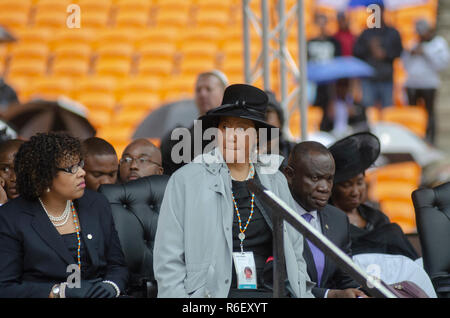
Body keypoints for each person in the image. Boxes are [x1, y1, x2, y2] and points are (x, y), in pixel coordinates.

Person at [153, 84, 314, 298]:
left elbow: (295, 250)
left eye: (241, 128)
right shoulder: (186, 180)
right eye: (225, 127)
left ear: (257, 136)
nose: (231, 136)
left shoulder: (276, 180)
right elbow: (168, 259)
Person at [0, 132, 129, 298]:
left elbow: (117, 266)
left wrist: (111, 287)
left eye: (80, 164)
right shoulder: (11, 217)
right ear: (44, 176)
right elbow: (5, 287)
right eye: (71, 169)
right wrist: (58, 292)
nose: (82, 172)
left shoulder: (97, 203)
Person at [284, 141, 367, 298]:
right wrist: (330, 295)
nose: (324, 187)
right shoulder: (274, 217)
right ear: (290, 175)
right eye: (315, 178)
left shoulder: (338, 219)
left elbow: (347, 279)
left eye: (329, 179)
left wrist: (361, 292)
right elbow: (282, 283)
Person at [328, 132, 419, 260]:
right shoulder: (327, 221)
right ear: (333, 186)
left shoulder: (376, 218)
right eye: (347, 185)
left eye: (359, 183)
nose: (355, 191)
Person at [160, 70, 228, 176]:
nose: (203, 94)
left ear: (224, 94)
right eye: (198, 90)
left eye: (208, 89)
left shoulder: (234, 135)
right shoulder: (177, 139)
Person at [402, 19, 450, 144]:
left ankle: (430, 140)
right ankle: (414, 139)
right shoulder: (414, 42)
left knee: (430, 113)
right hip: (412, 83)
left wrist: (425, 53)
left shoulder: (439, 43)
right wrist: (410, 54)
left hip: (429, 83)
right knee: (412, 114)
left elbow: (443, 64)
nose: (421, 35)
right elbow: (404, 65)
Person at [353, 4, 403, 108]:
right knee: (368, 110)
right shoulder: (366, 33)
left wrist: (385, 54)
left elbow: (399, 52)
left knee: (387, 110)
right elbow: (357, 52)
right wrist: (369, 48)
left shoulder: (392, 32)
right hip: (369, 78)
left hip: (386, 78)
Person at [262, 90, 295, 170]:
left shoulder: (293, 150)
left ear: (280, 120)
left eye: (268, 114)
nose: (263, 120)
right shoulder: (246, 152)